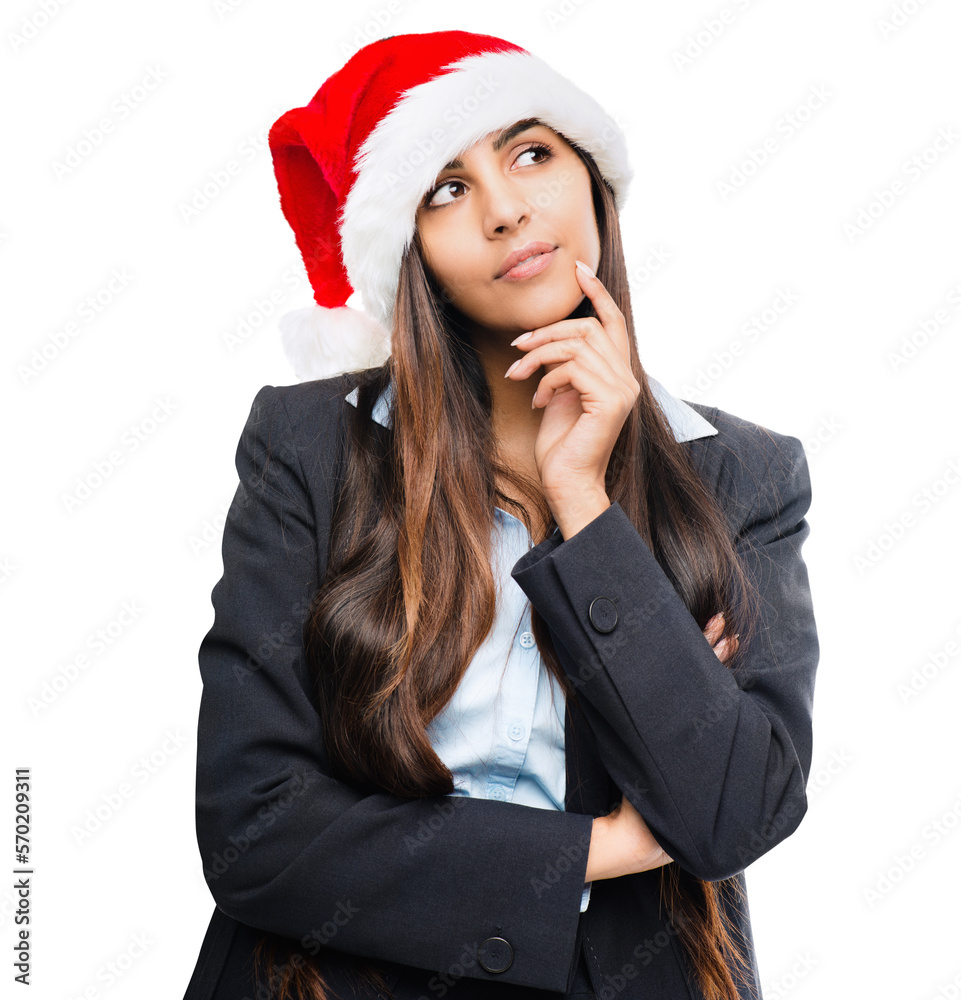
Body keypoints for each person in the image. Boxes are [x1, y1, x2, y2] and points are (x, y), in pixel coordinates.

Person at [182, 29, 819, 1000]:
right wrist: (594, 848)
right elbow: (256, 830)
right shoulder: (310, 445)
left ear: (591, 177)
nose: (505, 208)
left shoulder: (742, 475)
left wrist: (584, 502)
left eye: (531, 153)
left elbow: (732, 815)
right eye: (446, 187)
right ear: (412, 249)